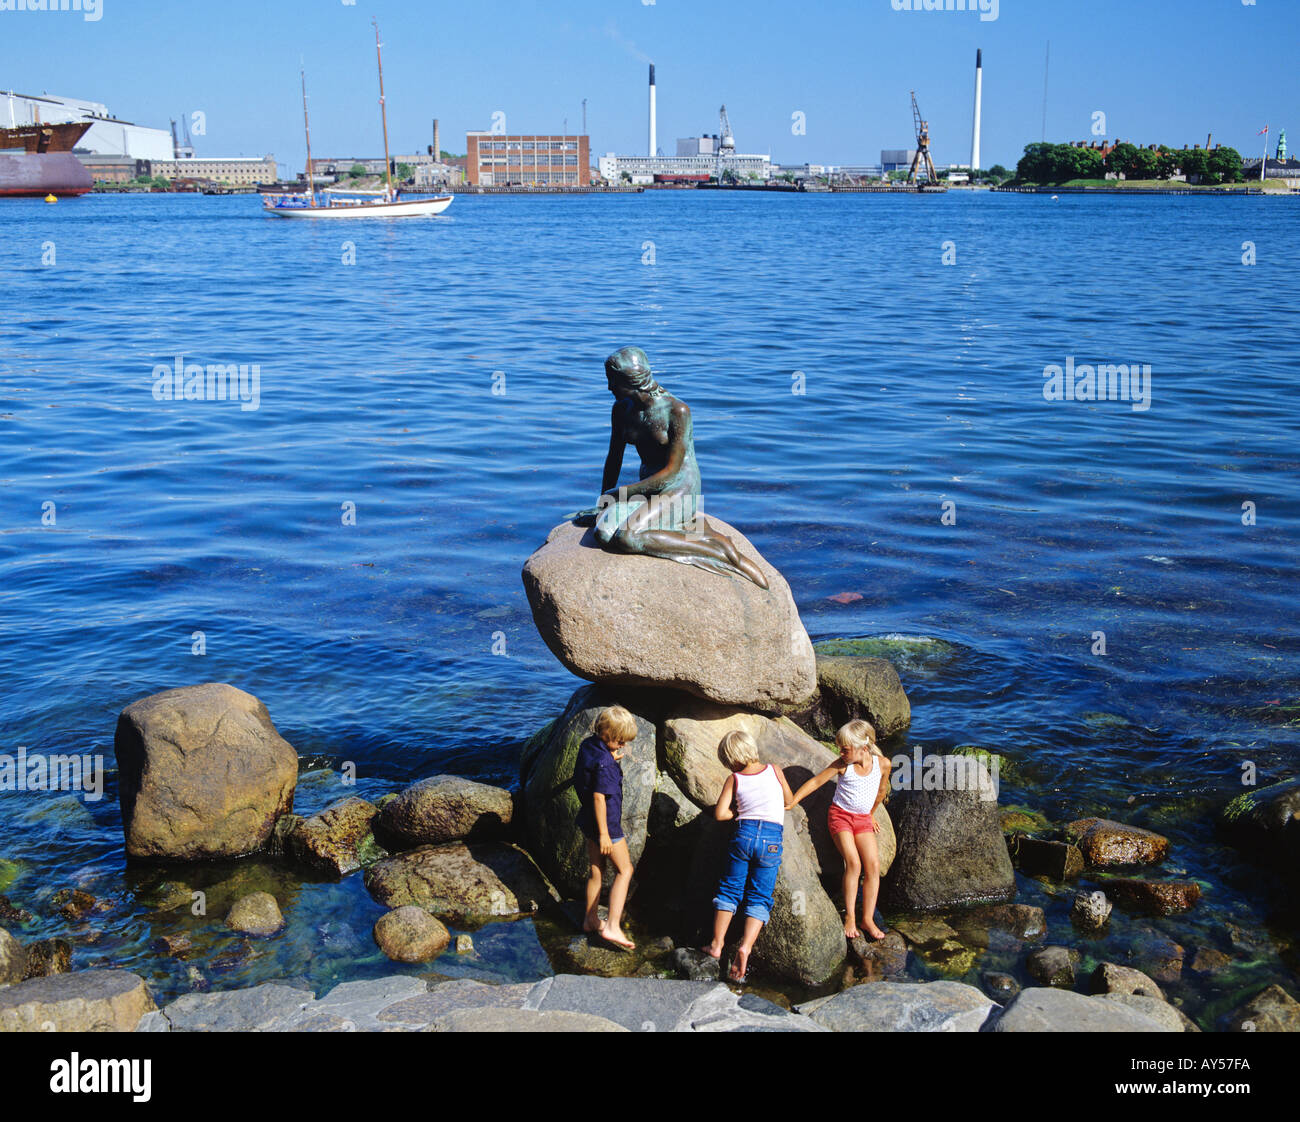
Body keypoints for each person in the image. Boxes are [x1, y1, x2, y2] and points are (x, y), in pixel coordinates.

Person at [572, 346, 768, 589]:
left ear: (631, 381)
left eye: (612, 381)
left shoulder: (677, 411)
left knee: (628, 537)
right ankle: (694, 531)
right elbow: (614, 458)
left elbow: (673, 471)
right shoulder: (621, 410)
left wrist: (622, 493)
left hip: (679, 486)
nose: (609, 388)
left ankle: (716, 548)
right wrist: (604, 499)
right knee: (603, 532)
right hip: (647, 487)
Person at [702, 729, 794, 981]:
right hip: (772, 840)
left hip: (744, 834)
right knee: (760, 897)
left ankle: (717, 944)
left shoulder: (735, 779)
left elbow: (721, 814)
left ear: (730, 758)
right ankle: (745, 947)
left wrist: (738, 811)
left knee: (730, 890)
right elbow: (790, 800)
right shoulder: (775, 770)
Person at [787, 719, 891, 940]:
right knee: (853, 862)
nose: (840, 752)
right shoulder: (843, 765)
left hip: (862, 819)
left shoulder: (883, 764)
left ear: (864, 747)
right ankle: (851, 916)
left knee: (872, 865)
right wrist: (793, 801)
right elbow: (816, 783)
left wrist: (871, 814)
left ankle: (868, 919)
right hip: (840, 817)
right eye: (839, 748)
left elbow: (881, 791)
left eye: (845, 749)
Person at [573, 705, 638, 950]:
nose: (622, 745)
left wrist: (609, 758)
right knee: (625, 871)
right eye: (620, 740)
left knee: (596, 872)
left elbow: (590, 772)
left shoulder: (589, 746)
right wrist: (604, 835)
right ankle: (612, 925)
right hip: (606, 825)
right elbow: (600, 797)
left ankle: (590, 920)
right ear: (608, 735)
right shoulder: (606, 764)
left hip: (588, 818)